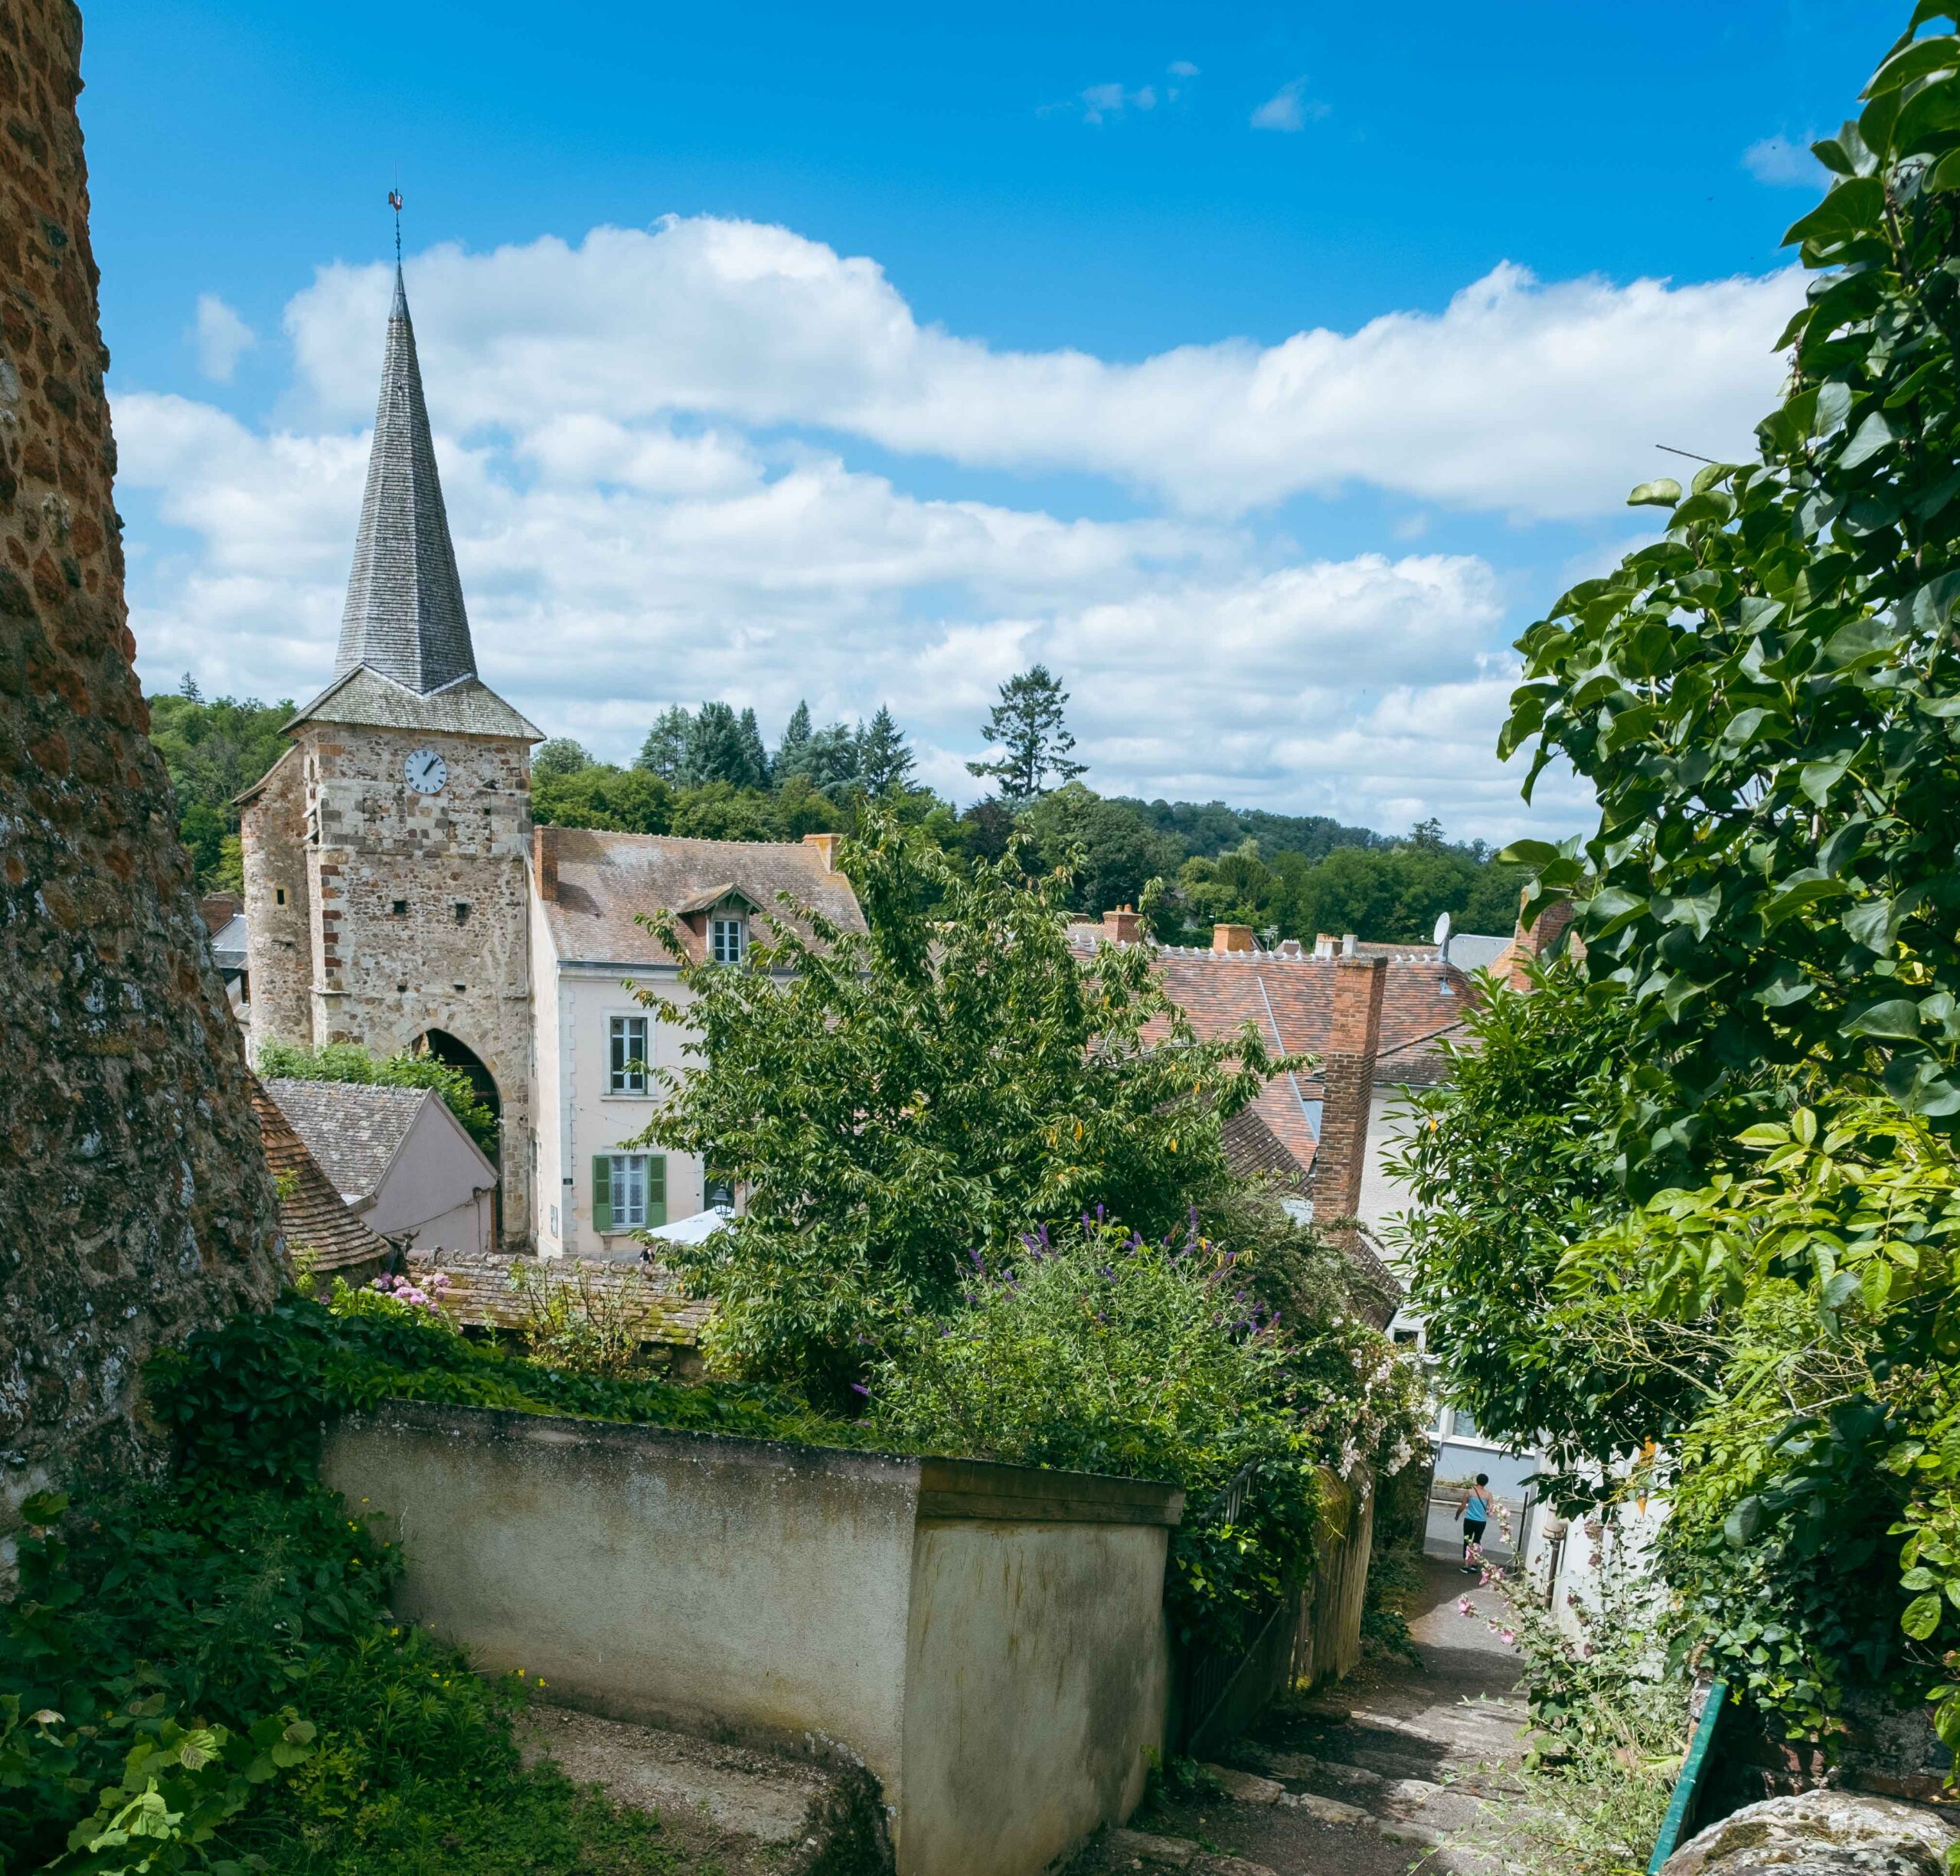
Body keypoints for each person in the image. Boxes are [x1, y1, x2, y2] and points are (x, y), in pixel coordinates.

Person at [1456, 1473, 1494, 1572]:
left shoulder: (1469, 1492)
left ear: (1477, 1481)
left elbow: (1462, 1506)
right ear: (1486, 1483)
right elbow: (1491, 1509)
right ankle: (1474, 1563)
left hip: (1469, 1520)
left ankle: (1466, 1565)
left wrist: (1457, 1515)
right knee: (1477, 1541)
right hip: (1481, 1522)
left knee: (1467, 1541)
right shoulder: (1488, 1495)